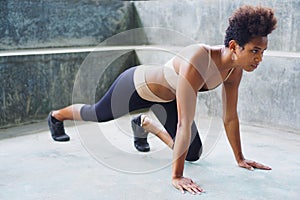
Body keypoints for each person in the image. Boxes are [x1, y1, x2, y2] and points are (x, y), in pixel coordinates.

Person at [48, 5, 277, 195]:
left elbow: (229, 118)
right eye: (255, 51)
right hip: (136, 86)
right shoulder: (199, 59)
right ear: (234, 46)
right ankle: (57, 116)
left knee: (193, 153)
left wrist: (240, 158)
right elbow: (184, 123)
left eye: (263, 52)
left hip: (165, 100)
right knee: (96, 113)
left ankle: (144, 125)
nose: (259, 59)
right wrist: (177, 176)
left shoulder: (234, 70)